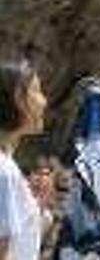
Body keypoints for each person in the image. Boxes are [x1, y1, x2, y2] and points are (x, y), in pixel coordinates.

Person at [0, 61, 48, 260]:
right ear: (18, 99)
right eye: (36, 91)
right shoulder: (5, 171)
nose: (44, 101)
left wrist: (32, 205)